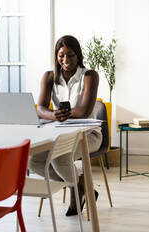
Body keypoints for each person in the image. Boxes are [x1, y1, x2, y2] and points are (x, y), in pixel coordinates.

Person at [29, 35, 102, 216]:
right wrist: (54, 115)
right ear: (56, 56)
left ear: (78, 56)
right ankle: (80, 185)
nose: (66, 60)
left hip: (88, 135)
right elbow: (41, 109)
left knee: (59, 157)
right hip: (58, 134)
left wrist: (60, 114)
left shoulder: (89, 76)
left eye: (70, 55)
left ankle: (76, 191)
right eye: (61, 55)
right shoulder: (49, 77)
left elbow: (84, 110)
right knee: (33, 160)